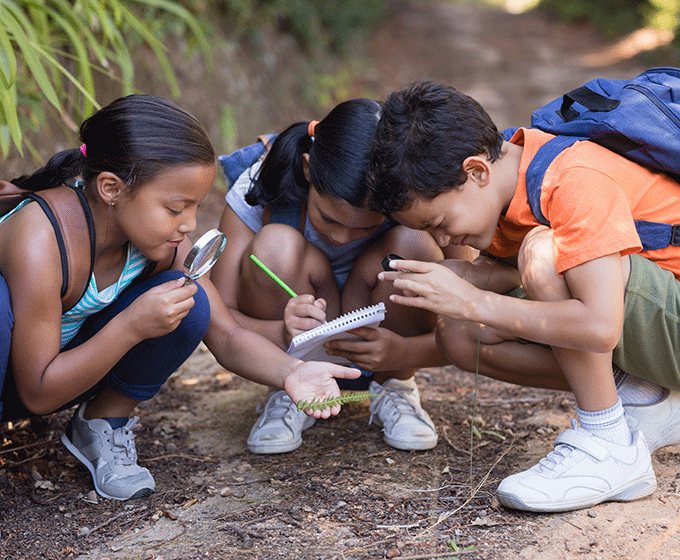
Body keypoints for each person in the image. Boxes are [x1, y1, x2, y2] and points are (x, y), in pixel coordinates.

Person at [1, 94, 360, 501]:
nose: (189, 224)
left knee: (191, 304)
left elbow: (224, 335)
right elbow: (36, 392)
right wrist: (130, 325)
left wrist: (290, 372)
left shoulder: (158, 245)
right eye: (175, 208)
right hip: (22, 380)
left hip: (54, 374)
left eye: (195, 207)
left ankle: (102, 424)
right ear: (111, 189)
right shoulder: (41, 236)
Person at [367, 80, 680, 513]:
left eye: (439, 221)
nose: (442, 237)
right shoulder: (507, 188)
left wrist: (473, 299)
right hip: (660, 325)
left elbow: (599, 325)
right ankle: (649, 396)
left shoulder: (571, 178)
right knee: (459, 334)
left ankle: (610, 443)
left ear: (477, 171)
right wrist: (470, 276)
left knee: (543, 252)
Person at [211, 98, 470, 454]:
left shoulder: (413, 195)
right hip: (296, 340)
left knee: (414, 244)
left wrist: (405, 353)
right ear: (307, 170)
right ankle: (291, 382)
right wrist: (283, 332)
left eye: (364, 229)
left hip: (384, 332)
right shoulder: (263, 182)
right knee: (274, 246)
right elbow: (220, 312)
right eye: (328, 219)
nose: (340, 237)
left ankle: (394, 386)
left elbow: (468, 305)